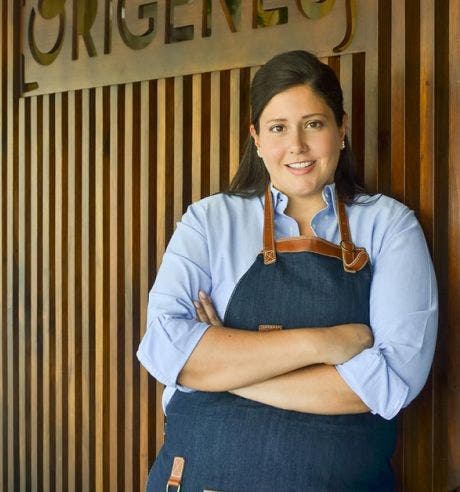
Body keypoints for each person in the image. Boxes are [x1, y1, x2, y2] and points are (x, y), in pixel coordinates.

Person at [137, 50, 437, 491]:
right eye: (278, 128)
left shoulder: (389, 225)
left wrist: (224, 372)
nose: (296, 145)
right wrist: (331, 342)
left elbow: (388, 384)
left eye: (313, 124)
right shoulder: (208, 221)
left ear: (342, 129)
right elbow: (166, 349)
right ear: (256, 138)